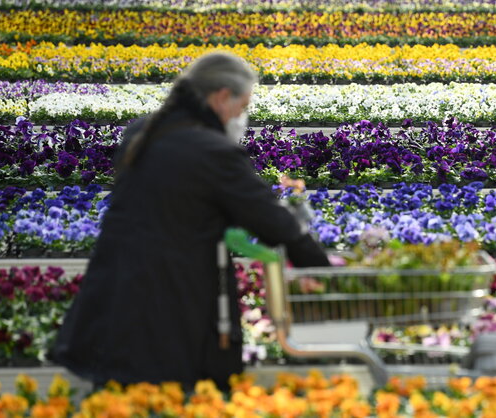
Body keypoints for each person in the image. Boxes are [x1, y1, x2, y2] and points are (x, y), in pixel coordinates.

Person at [51, 52, 330, 391]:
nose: (241, 118)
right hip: (168, 312)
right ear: (222, 96)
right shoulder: (211, 151)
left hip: (115, 299)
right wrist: (320, 268)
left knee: (121, 402)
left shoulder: (144, 132)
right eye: (242, 108)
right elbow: (270, 218)